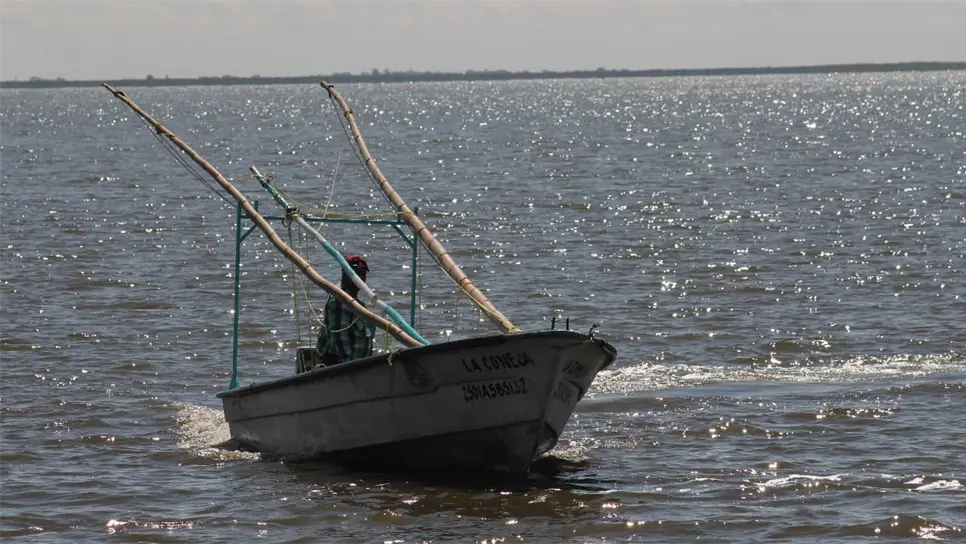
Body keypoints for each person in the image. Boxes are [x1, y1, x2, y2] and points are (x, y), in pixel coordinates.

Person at [316, 254, 375, 366]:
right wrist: (354, 370)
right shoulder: (340, 300)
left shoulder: (354, 299)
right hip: (343, 368)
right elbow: (340, 342)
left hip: (358, 365)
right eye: (356, 274)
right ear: (345, 274)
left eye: (362, 274)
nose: (360, 279)